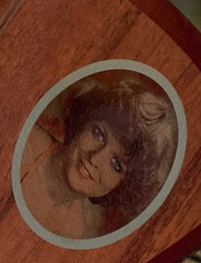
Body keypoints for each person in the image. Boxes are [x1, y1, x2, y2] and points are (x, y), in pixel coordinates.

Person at [18, 68, 178, 242]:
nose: (95, 158)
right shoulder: (25, 145)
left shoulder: (73, 230)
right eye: (98, 134)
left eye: (116, 164)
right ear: (83, 120)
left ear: (122, 187)